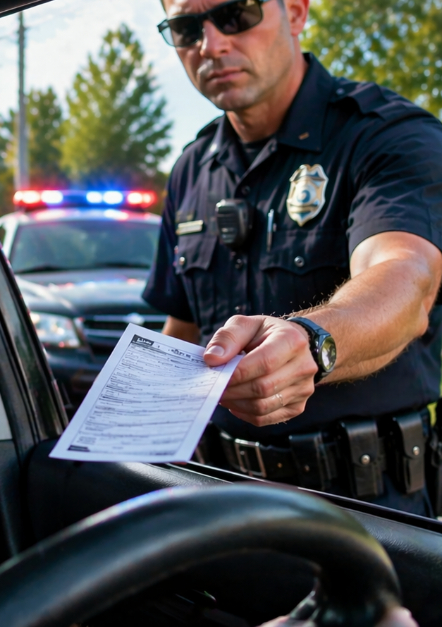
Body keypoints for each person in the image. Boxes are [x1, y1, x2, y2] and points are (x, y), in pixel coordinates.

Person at [144, 0, 442, 518]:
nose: (211, 45)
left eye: (235, 16)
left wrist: (312, 341)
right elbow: (184, 328)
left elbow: (404, 280)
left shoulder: (383, 136)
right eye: (186, 28)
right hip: (217, 498)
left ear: (297, 13)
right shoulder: (192, 167)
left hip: (368, 507)